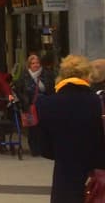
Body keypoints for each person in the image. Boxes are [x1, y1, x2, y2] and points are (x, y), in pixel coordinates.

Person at [37, 54, 105, 203]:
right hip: (91, 172)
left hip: (64, 173)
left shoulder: (47, 103)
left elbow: (44, 148)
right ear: (87, 74)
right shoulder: (96, 101)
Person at [13, 54, 55, 156]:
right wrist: (24, 101)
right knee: (32, 129)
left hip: (45, 105)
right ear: (29, 65)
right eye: (33, 63)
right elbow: (18, 90)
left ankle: (44, 148)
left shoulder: (47, 74)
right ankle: (35, 149)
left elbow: (52, 88)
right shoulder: (24, 76)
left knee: (44, 127)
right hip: (30, 105)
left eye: (37, 63)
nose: (35, 65)